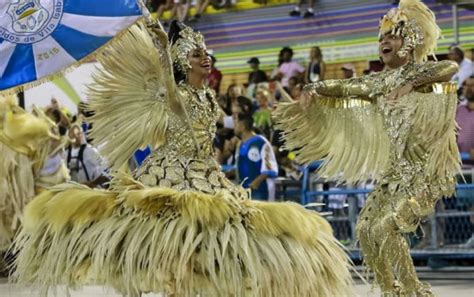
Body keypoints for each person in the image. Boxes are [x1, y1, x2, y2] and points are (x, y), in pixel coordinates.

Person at [12, 21, 353, 296]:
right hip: (172, 173)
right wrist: (161, 47)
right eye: (196, 54)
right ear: (181, 63)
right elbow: (172, 97)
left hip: (207, 171)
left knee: (219, 233)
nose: (206, 57)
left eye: (206, 52)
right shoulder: (179, 95)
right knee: (174, 231)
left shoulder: (208, 95)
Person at [275, 0, 459, 295]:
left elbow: (449, 67)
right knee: (365, 229)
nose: (383, 42)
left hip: (425, 173)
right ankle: (390, 290)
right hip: (394, 175)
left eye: (391, 36)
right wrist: (314, 88)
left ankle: (412, 291)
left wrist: (412, 83)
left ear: (409, 41)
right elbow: (345, 87)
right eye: (380, 38)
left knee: (387, 227)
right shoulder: (379, 82)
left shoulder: (422, 74)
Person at [0, 97, 61, 272]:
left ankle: (19, 261)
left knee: (18, 218)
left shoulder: (21, 129)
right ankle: (10, 261)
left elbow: (50, 137)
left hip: (21, 183)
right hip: (9, 183)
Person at [234, 113, 278, 201]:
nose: (234, 126)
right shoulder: (240, 144)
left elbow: (269, 167)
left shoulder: (261, 142)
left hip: (260, 189)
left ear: (242, 126)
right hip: (245, 191)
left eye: (236, 124)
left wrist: (256, 183)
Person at [456, 75, 474, 165]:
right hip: (459, 162)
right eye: (467, 85)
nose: (469, 88)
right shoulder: (459, 109)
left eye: (472, 85)